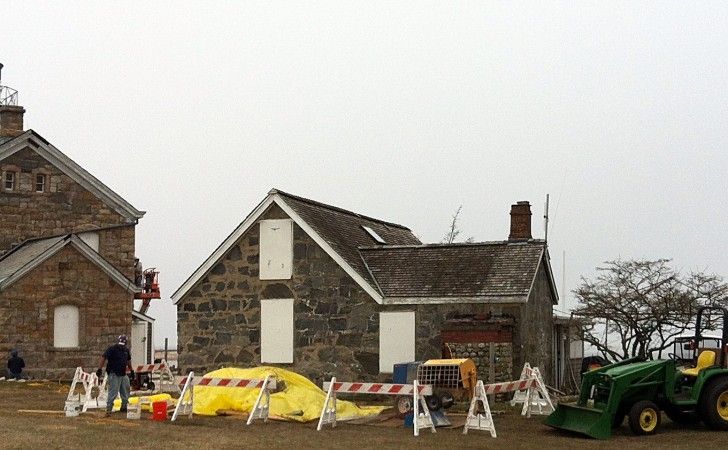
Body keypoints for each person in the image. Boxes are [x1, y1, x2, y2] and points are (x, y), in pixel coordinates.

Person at [97, 335, 134, 414]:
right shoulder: (112, 349)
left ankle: (124, 407)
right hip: (114, 373)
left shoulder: (126, 350)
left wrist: (132, 370)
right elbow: (103, 357)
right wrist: (100, 369)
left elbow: (128, 361)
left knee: (125, 391)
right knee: (113, 392)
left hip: (123, 374)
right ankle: (109, 409)